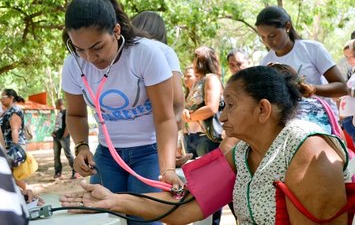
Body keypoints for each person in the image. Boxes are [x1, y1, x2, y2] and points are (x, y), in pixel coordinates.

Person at [61, 66, 350, 224]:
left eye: (231, 106)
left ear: (263, 110)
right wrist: (114, 199)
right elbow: (187, 206)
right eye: (222, 105)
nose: (221, 115)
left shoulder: (307, 149)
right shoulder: (241, 153)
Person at [61, 0, 182, 224]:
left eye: (97, 47)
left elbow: (165, 117)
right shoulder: (73, 65)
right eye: (79, 48)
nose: (89, 58)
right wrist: (82, 146)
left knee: (145, 219)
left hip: (149, 153)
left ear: (116, 31)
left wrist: (167, 169)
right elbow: (75, 115)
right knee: (103, 218)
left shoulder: (146, 54)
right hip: (106, 156)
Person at [256, 6, 347, 115]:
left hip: (322, 119)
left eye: (272, 35)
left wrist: (313, 89)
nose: (268, 42)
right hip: (291, 123)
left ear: (287, 27)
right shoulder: (265, 63)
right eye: (263, 37)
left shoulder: (312, 49)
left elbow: (342, 87)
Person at [131, 11, 189, 167]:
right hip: (151, 142)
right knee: (147, 192)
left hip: (114, 144)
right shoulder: (163, 50)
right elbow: (177, 102)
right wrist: (168, 150)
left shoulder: (120, 51)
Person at [181, 46, 224, 225]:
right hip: (192, 139)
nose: (193, 61)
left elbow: (211, 107)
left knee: (211, 188)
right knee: (197, 188)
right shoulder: (198, 82)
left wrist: (189, 115)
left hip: (206, 139)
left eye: (195, 58)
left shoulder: (211, 79)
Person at [0, 89, 29, 190]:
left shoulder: (15, 111)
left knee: (16, 176)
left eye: (3, 96)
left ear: (11, 97)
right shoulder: (6, 111)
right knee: (12, 176)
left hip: (15, 147)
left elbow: (15, 130)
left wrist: (15, 150)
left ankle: (31, 195)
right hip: (9, 147)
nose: (0, 98)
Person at [51, 98, 76, 179]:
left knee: (68, 154)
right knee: (56, 155)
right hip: (56, 138)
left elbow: (68, 125)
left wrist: (64, 136)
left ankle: (75, 171)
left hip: (63, 138)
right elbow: (57, 125)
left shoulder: (66, 112)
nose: (55, 106)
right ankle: (58, 172)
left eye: (56, 104)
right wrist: (53, 132)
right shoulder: (59, 113)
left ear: (59, 104)